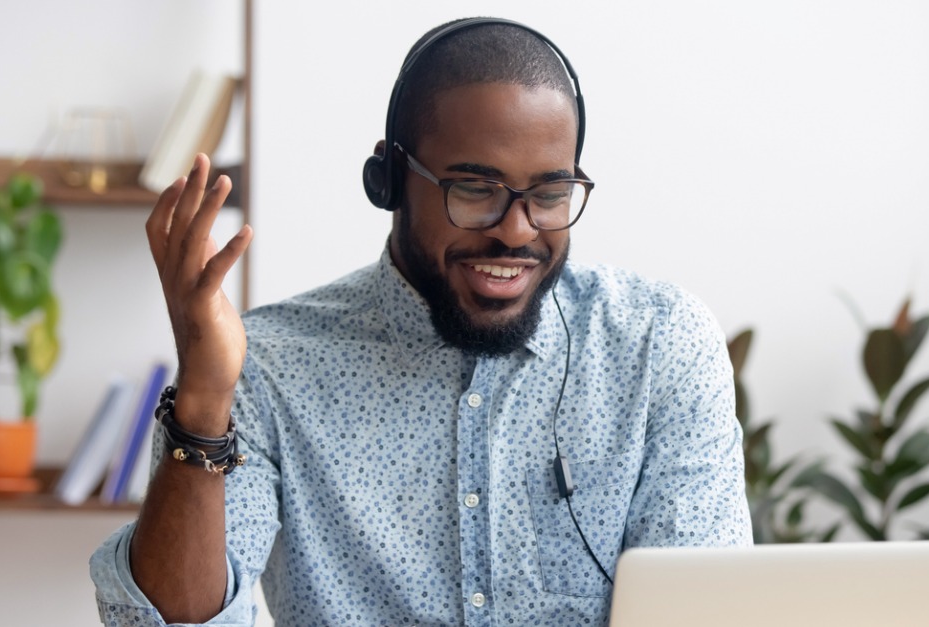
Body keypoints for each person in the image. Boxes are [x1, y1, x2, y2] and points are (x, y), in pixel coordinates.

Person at [91, 17, 752, 627]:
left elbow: (706, 613)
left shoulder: (659, 345)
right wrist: (205, 399)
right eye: (475, 190)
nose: (516, 231)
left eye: (549, 194)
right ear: (389, 179)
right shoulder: (268, 366)